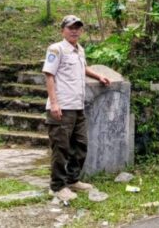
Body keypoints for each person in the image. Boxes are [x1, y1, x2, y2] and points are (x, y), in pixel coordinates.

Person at [43, 15, 111, 201]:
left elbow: (83, 68)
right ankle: (57, 187)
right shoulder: (56, 49)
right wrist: (54, 103)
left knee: (80, 145)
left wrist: (99, 76)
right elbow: (49, 76)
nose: (74, 30)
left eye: (77, 27)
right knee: (61, 148)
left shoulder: (79, 50)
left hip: (77, 107)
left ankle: (72, 180)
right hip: (61, 108)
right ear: (62, 30)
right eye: (70, 27)